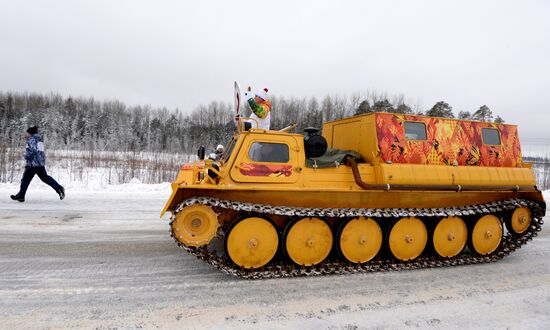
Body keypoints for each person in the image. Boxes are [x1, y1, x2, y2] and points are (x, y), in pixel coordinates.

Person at [10, 126, 65, 202]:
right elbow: (40, 151)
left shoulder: (32, 140)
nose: (27, 134)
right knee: (45, 178)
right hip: (40, 163)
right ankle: (59, 188)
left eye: (27, 133)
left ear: (30, 133)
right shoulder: (40, 139)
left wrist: (26, 156)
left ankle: (21, 196)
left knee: (25, 180)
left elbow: (33, 151)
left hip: (33, 163)